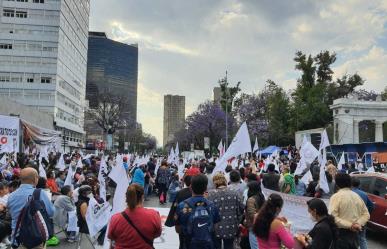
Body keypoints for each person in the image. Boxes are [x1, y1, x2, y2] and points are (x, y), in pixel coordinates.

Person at [7, 168, 55, 248]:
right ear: (35, 179)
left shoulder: (11, 196)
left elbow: (11, 214)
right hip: (35, 237)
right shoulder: (39, 193)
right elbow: (51, 212)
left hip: (17, 237)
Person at [108, 184, 162, 249]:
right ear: (142, 197)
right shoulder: (154, 215)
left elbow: (111, 237)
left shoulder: (115, 219)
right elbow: (157, 233)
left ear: (126, 198)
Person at [175, 174, 221, 249]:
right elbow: (215, 227)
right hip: (207, 244)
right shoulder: (212, 205)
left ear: (191, 187)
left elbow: (178, 229)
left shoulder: (182, 206)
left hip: (188, 244)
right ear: (206, 188)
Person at [329, 173, 370, 249]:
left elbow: (332, 217)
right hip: (354, 235)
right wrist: (357, 224)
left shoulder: (336, 197)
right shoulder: (356, 196)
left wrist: (352, 225)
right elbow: (366, 214)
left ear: (337, 184)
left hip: (341, 235)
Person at [208, 173, 243, 249]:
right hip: (231, 225)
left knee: (216, 246)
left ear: (215, 182)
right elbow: (241, 208)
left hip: (215, 227)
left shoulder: (210, 194)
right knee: (229, 246)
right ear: (225, 181)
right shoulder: (234, 192)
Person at [165, 175, 192, 249]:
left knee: (182, 241)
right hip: (193, 221)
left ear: (185, 182)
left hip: (182, 221)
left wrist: (174, 221)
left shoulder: (181, 192)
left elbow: (175, 206)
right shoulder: (196, 192)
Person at [351, 177, 374, 249]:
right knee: (362, 238)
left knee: (351, 239)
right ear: (359, 184)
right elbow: (372, 206)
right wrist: (366, 215)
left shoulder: (349, 193)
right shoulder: (364, 194)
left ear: (351, 184)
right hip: (362, 220)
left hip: (350, 220)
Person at [245, 181, 265, 249]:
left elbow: (252, 215)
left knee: (255, 246)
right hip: (262, 225)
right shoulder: (261, 197)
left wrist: (245, 221)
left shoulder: (251, 200)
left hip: (254, 227)